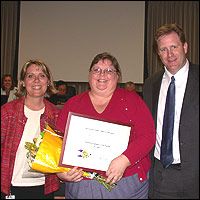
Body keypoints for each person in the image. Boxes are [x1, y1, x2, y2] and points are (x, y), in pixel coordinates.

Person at [56, 52, 156, 199]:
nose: (102, 74)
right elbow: (57, 142)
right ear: (89, 75)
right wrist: (60, 171)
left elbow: (148, 136)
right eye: (96, 69)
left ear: (117, 76)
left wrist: (124, 159)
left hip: (126, 183)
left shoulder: (132, 100)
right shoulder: (73, 103)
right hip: (81, 183)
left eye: (109, 70)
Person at [143, 24, 199, 199]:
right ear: (159, 54)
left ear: (185, 47)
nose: (170, 55)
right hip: (162, 176)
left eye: (174, 47)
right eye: (163, 50)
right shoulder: (150, 85)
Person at [1, 60, 61, 199]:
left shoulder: (56, 115)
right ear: (22, 82)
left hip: (45, 188)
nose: (36, 80)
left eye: (41, 76)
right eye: (30, 76)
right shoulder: (7, 112)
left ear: (48, 81)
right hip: (12, 187)